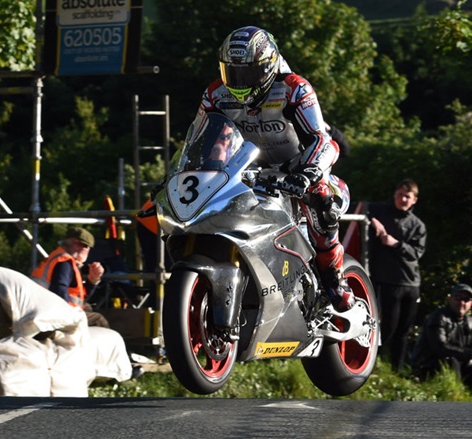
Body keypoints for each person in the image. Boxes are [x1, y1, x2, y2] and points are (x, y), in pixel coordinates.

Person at [194, 25, 354, 311]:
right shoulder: (216, 94)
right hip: (249, 171)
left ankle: (332, 276)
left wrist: (306, 174)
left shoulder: (294, 88)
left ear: (267, 68)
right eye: (232, 73)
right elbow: (205, 143)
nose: (238, 82)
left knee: (321, 199)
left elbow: (322, 140)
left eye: (247, 74)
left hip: (299, 167)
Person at [367, 179, 427, 372]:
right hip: (387, 282)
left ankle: (397, 370)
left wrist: (395, 243)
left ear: (414, 200)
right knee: (387, 328)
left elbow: (416, 253)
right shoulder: (381, 211)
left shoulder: (418, 225)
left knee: (404, 331)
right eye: (400, 194)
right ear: (394, 195)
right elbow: (358, 207)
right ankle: (372, 367)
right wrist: (372, 220)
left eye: (407, 196)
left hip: (411, 284)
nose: (403, 199)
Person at [31, 227, 109, 327]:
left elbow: (79, 299)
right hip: (50, 313)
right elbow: (59, 291)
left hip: (41, 308)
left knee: (87, 308)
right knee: (98, 320)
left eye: (84, 245)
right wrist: (71, 314)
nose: (81, 248)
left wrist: (92, 280)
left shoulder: (60, 258)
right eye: (78, 244)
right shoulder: (64, 262)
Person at [410, 283, 472, 386]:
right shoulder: (438, 317)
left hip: (459, 366)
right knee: (451, 361)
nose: (462, 302)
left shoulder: (469, 322)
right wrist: (468, 354)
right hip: (427, 366)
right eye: (458, 298)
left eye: (466, 299)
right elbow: (440, 348)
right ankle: (453, 394)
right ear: (450, 299)